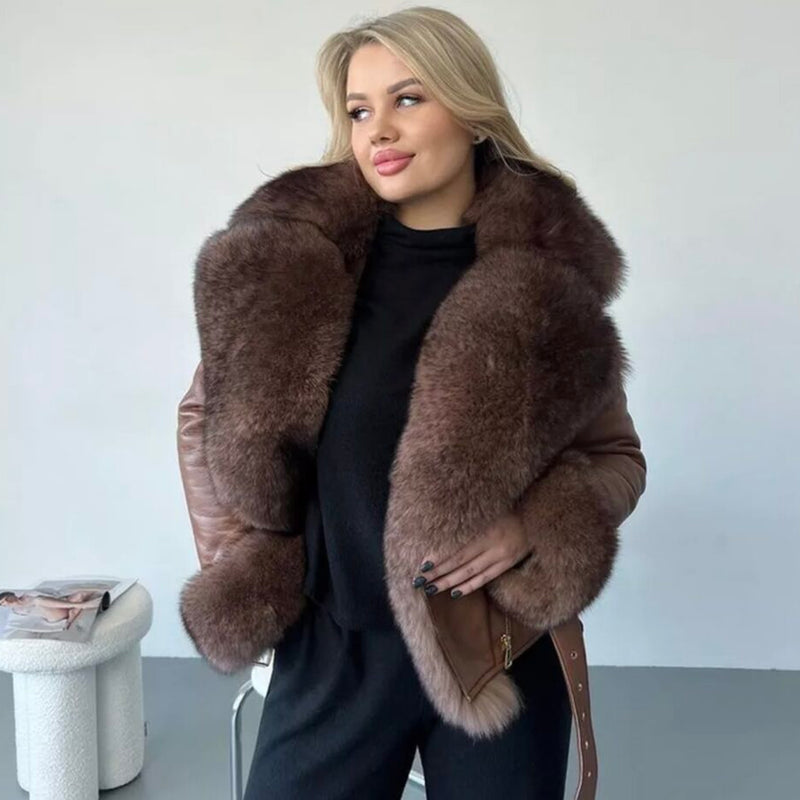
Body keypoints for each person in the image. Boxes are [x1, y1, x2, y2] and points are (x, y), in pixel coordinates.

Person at [179, 6, 647, 799]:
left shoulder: (542, 285)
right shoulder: (299, 263)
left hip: (491, 654)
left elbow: (617, 462)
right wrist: (247, 567)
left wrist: (534, 528)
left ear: (469, 111)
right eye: (359, 111)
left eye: (407, 99)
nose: (378, 132)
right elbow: (203, 418)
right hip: (333, 649)